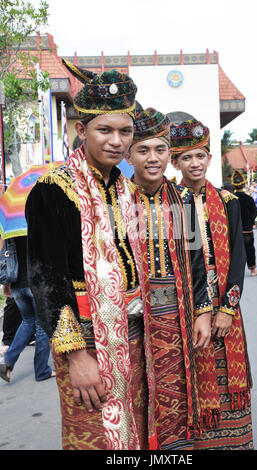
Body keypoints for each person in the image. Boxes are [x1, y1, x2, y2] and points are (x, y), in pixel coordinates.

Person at [25, 63, 162, 450]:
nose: (117, 141)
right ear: (80, 131)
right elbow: (46, 280)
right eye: (105, 130)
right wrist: (76, 357)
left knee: (134, 431)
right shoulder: (52, 190)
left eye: (125, 131)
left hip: (135, 336)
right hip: (86, 339)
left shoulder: (125, 188)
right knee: (95, 435)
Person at [125, 108, 213, 449]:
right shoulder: (117, 201)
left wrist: (203, 311)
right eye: (143, 150)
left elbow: (195, 261)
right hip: (131, 320)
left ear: (168, 155)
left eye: (160, 150)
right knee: (135, 396)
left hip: (177, 316)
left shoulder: (183, 201)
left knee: (175, 394)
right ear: (130, 154)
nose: (152, 158)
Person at [170, 118, 253, 450]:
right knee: (188, 379)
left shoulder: (228, 202)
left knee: (227, 383)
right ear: (176, 162)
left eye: (200, 156)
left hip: (224, 307)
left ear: (209, 159)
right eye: (187, 157)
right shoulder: (169, 203)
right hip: (184, 308)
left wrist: (228, 309)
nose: (195, 163)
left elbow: (237, 257)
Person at [0, 236, 54, 382]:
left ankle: (8, 362)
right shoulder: (34, 225)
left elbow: (4, 257)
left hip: (17, 285)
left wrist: (6, 284)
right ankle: (42, 370)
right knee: (42, 325)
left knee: (27, 322)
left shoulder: (9, 230)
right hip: (35, 284)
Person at [231, 170, 257, 277]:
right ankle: (253, 270)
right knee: (249, 249)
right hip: (247, 230)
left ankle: (234, 273)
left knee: (235, 251)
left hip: (234, 231)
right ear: (244, 185)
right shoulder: (249, 199)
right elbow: (253, 213)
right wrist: (249, 222)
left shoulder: (230, 199)